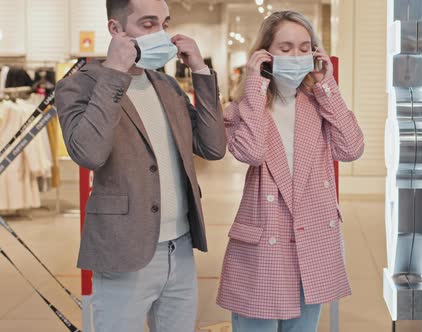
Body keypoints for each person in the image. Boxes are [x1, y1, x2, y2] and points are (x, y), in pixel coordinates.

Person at [55, 0, 226, 331]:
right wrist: (115, 72)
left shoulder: (167, 86)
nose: (160, 34)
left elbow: (213, 147)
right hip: (124, 250)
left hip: (180, 247)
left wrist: (202, 72)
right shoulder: (79, 85)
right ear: (116, 30)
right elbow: (88, 153)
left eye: (164, 24)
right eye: (147, 25)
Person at [217, 10, 365, 332]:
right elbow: (251, 152)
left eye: (303, 47)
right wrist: (255, 88)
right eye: (285, 48)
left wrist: (328, 87)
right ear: (265, 54)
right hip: (264, 239)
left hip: (312, 239)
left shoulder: (319, 104)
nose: (296, 56)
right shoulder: (242, 108)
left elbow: (351, 149)